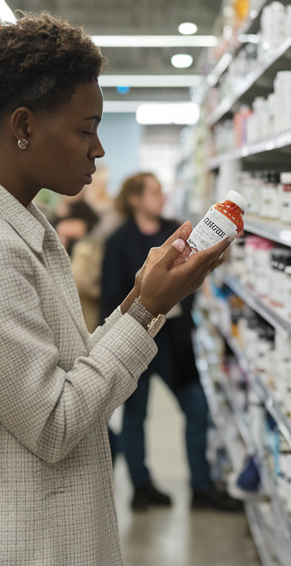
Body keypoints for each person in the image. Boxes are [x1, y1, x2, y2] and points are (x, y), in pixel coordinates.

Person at [0, 12, 232, 566]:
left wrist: (144, 300)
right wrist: (149, 307)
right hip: (15, 549)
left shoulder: (22, 223)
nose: (99, 149)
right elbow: (56, 422)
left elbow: (71, 367)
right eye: (86, 129)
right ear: (25, 125)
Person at [103, 173, 242, 512]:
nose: (161, 197)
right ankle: (140, 485)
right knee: (135, 415)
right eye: (153, 192)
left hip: (174, 339)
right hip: (139, 335)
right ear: (135, 199)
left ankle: (201, 486)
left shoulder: (178, 232)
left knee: (197, 406)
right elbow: (112, 292)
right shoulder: (119, 241)